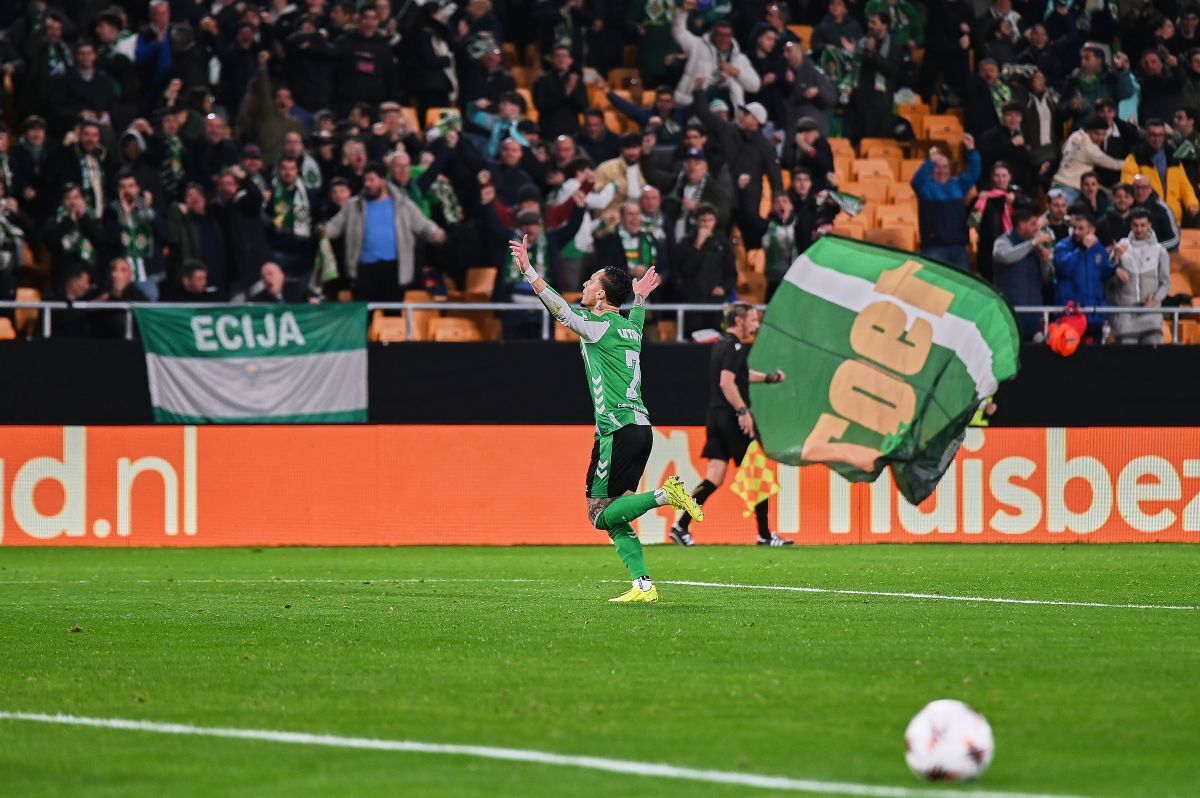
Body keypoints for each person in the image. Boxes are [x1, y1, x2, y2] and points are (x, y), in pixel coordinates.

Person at [506, 236, 703, 604]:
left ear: (600, 296)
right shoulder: (630, 328)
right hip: (641, 429)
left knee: (598, 513)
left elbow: (559, 309)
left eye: (591, 281)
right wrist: (640, 297)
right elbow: (638, 315)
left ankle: (665, 493)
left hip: (618, 430)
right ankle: (643, 586)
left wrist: (528, 269)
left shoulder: (597, 327)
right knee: (616, 516)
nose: (584, 285)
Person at [669, 303, 790, 547]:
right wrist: (743, 411)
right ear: (739, 321)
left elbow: (739, 375)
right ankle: (765, 535)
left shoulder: (723, 344)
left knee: (714, 477)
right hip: (731, 418)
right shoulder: (734, 346)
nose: (756, 325)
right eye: (753, 320)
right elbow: (727, 382)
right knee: (756, 472)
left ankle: (680, 526)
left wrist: (768, 378)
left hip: (715, 416)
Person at [323, 162, 446, 302]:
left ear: (383, 181)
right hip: (364, 270)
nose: (367, 184)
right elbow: (334, 226)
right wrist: (323, 231)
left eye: (371, 180)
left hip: (394, 268)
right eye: (365, 180)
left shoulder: (402, 204)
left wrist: (435, 233)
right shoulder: (353, 205)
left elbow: (423, 224)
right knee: (366, 313)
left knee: (392, 315)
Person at [672, 1, 761, 112]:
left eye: (727, 35)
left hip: (725, 109)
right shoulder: (698, 45)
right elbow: (679, 34)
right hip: (693, 104)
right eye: (720, 35)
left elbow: (755, 86)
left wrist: (736, 72)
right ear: (713, 35)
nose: (724, 39)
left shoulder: (739, 58)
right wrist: (683, 12)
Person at [911, 136, 981, 270]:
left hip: (959, 246)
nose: (942, 170)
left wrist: (971, 150)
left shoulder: (958, 185)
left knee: (960, 286)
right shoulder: (925, 188)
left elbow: (974, 172)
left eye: (945, 167)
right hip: (935, 246)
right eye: (937, 167)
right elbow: (916, 181)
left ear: (950, 169)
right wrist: (929, 162)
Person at [1120, 118, 1200, 225]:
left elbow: (1184, 185)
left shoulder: (1173, 157)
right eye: (1153, 135)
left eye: (1160, 135)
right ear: (1147, 135)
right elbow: (1128, 185)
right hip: (1147, 220)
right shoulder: (1136, 158)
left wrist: (1192, 203)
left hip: (1174, 219)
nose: (1157, 139)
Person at [1109, 209, 1169, 345]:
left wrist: (1154, 300)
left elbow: (1165, 283)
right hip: (1126, 315)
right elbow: (1109, 280)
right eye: (1135, 225)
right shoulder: (1121, 247)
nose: (1139, 229)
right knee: (1127, 361)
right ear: (1131, 226)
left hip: (1151, 314)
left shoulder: (1160, 250)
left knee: (1153, 360)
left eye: (1143, 225)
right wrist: (1116, 258)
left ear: (1149, 226)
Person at [992, 206, 1053, 341]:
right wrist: (1032, 243)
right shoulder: (1003, 241)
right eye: (1032, 224)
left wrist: (1046, 261)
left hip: (1034, 314)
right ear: (1021, 225)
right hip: (1012, 314)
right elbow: (1005, 256)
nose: (1036, 228)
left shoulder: (1036, 245)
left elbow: (1046, 278)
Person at [673, 203, 735, 334]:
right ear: (696, 221)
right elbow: (684, 270)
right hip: (692, 302)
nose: (706, 224)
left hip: (715, 302)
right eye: (703, 220)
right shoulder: (686, 242)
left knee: (717, 340)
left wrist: (724, 288)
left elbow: (731, 272)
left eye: (710, 220)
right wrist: (698, 245)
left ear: (715, 221)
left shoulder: (723, 243)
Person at [1052, 213, 1114, 343]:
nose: (1076, 232)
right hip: (1071, 315)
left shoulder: (1098, 249)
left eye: (1081, 228)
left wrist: (1116, 263)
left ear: (1091, 230)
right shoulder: (1062, 247)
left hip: (1095, 315)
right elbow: (1063, 268)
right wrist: (1081, 249)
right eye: (1074, 228)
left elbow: (1103, 274)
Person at [1051, 117, 1127, 205]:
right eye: (1097, 134)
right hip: (1069, 189)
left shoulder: (1075, 135)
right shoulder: (1090, 149)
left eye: (1103, 134)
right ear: (1088, 131)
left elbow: (1063, 150)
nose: (1100, 138)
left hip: (1057, 184)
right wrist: (1131, 163)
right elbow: (1114, 164)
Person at [1130, 173, 1181, 252]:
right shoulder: (1126, 206)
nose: (1140, 191)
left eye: (1144, 188)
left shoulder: (1162, 208)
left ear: (1150, 189)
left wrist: (1152, 248)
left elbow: (1174, 238)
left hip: (1159, 252)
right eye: (1136, 187)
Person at [250, 261, 319, 303]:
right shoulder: (258, 300)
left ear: (281, 275)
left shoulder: (297, 288)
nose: (267, 278)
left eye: (270, 274)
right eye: (263, 276)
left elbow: (319, 299)